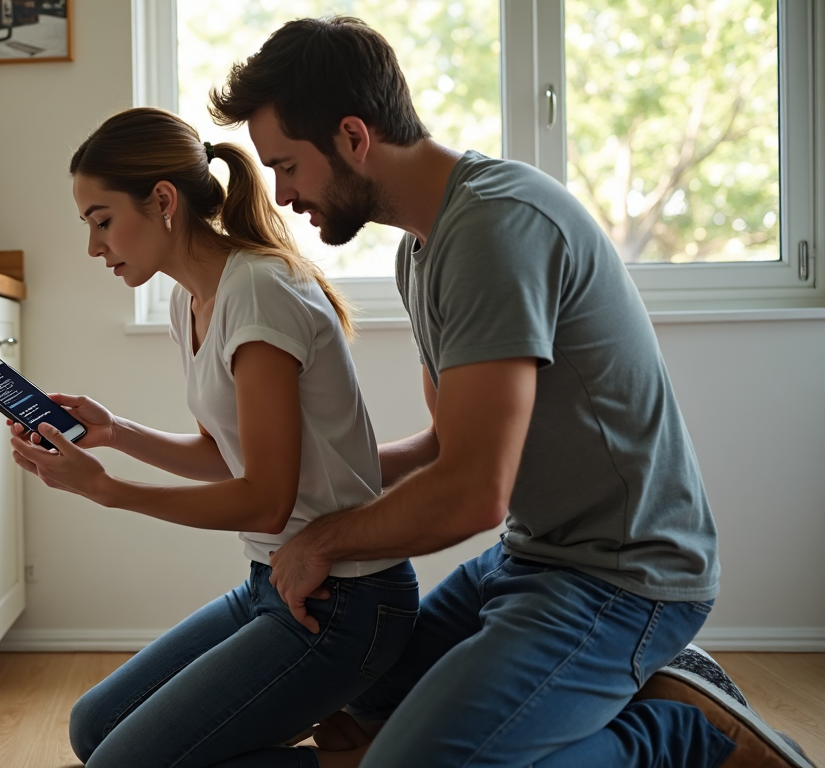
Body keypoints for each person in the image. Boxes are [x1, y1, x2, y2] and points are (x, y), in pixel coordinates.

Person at [206, 15, 814, 768]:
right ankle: (605, 697)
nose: (282, 194)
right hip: (529, 557)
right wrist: (315, 489)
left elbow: (471, 491)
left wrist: (324, 540)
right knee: (366, 688)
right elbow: (443, 445)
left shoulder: (495, 229)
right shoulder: (419, 252)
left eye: (288, 166)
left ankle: (684, 735)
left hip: (625, 577)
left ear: (354, 138)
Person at [7, 107, 419, 768]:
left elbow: (264, 501)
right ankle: (326, 727)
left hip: (345, 602)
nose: (93, 247)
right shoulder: (191, 297)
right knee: (94, 727)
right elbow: (222, 456)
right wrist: (116, 432)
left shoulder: (257, 293)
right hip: (274, 581)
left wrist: (109, 492)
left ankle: (371, 760)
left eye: (102, 221)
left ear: (163, 201)